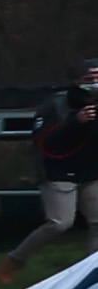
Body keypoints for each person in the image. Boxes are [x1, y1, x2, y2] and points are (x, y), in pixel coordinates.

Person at [41, 59, 98, 246]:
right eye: (89, 78)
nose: (95, 82)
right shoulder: (58, 104)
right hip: (61, 171)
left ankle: (92, 270)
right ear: (76, 80)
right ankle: (17, 257)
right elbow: (46, 141)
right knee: (60, 224)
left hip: (92, 171)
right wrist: (77, 122)